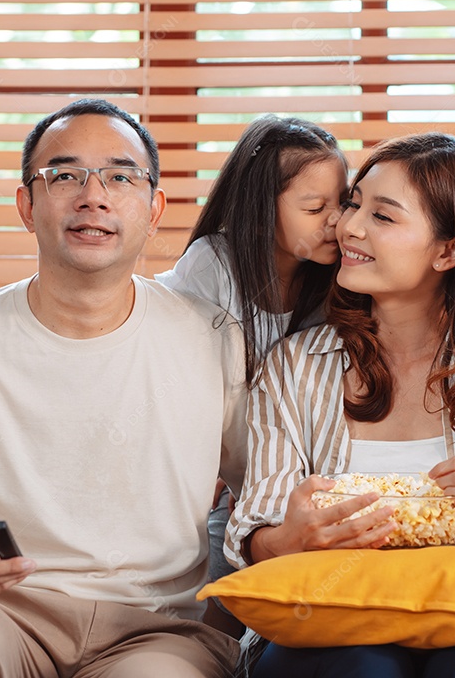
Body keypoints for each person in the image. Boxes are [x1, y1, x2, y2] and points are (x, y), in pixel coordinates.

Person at [0, 99, 248, 678]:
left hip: (158, 627)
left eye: (120, 177)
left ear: (154, 208)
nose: (92, 195)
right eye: (64, 175)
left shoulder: (215, 337)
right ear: (26, 205)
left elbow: (266, 496)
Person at [228, 133, 455, 678]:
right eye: (354, 203)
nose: (348, 226)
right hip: (327, 624)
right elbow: (251, 528)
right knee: (364, 668)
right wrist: (287, 538)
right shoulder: (293, 366)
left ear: (448, 250)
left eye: (383, 216)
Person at [153, 115, 348, 634]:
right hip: (222, 478)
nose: (336, 221)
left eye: (341, 203)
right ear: (261, 212)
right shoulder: (212, 266)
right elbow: (194, 393)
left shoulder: (340, 281)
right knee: (213, 617)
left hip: (289, 477)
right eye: (314, 208)